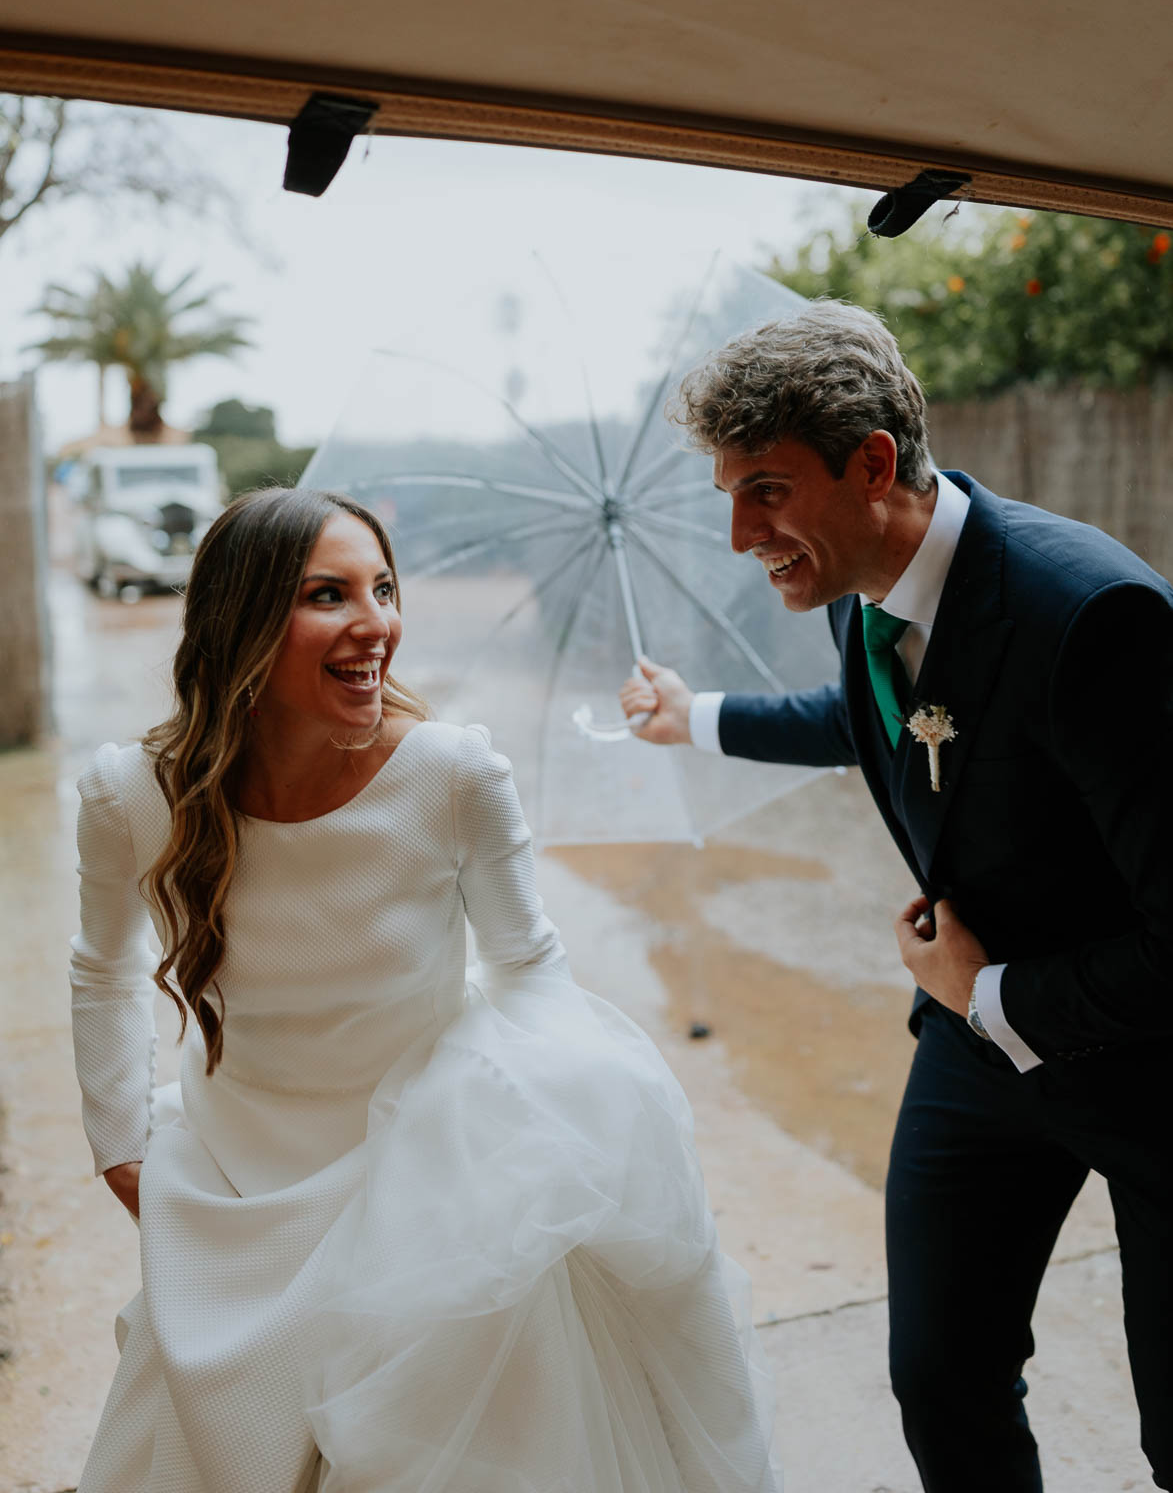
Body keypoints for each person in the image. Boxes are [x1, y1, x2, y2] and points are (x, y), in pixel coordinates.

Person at [71, 486, 777, 1493]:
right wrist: (120, 1141)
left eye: (385, 587)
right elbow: (98, 963)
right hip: (234, 1176)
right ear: (243, 620)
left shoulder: (452, 773)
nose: (378, 624)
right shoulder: (131, 793)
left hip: (431, 1171)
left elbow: (530, 965)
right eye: (330, 593)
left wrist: (546, 1142)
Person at [619, 300, 1173, 1493]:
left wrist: (994, 984)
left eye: (763, 488)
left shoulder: (1092, 614)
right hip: (974, 1058)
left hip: (1154, 1072)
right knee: (942, 1375)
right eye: (728, 492)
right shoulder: (869, 594)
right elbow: (876, 722)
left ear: (872, 464)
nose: (737, 531)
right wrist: (695, 717)